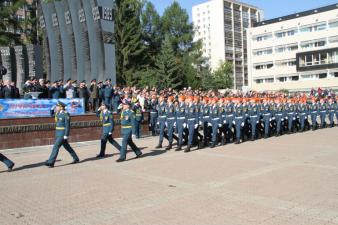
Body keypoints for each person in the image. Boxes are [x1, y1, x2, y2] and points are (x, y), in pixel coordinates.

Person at [45, 101, 80, 168]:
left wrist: (66, 135)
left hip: (62, 133)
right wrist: (51, 109)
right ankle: (76, 158)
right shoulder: (57, 113)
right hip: (57, 133)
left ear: (61, 107)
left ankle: (51, 162)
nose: (56, 107)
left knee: (56, 146)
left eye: (57, 106)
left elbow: (67, 126)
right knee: (67, 147)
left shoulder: (66, 114)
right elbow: (51, 115)